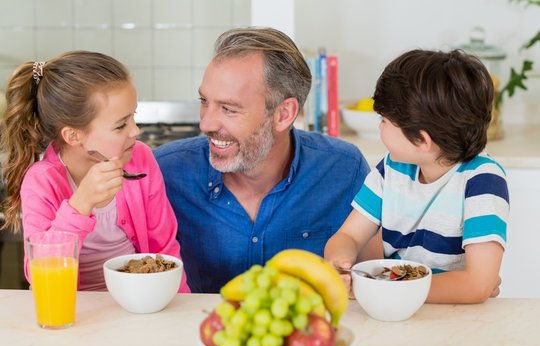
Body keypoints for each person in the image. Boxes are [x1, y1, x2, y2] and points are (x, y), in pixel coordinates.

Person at [154, 27, 373, 293]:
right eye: (204, 101)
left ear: (283, 114)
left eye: (228, 108)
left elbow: (371, 281)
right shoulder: (165, 172)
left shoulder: (343, 170)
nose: (206, 122)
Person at [324, 49, 509, 304]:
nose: (380, 126)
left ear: (422, 140)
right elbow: (349, 236)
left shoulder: (482, 179)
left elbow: (476, 284)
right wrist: (340, 263)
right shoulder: (392, 168)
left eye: (385, 120)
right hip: (395, 308)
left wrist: (386, 288)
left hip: (455, 319)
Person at [0, 51, 190, 292]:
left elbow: (165, 250)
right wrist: (80, 204)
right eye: (121, 124)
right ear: (73, 136)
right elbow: (40, 273)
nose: (135, 131)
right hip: (76, 313)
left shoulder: (140, 158)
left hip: (139, 304)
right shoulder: (41, 181)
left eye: (133, 116)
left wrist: (178, 303)